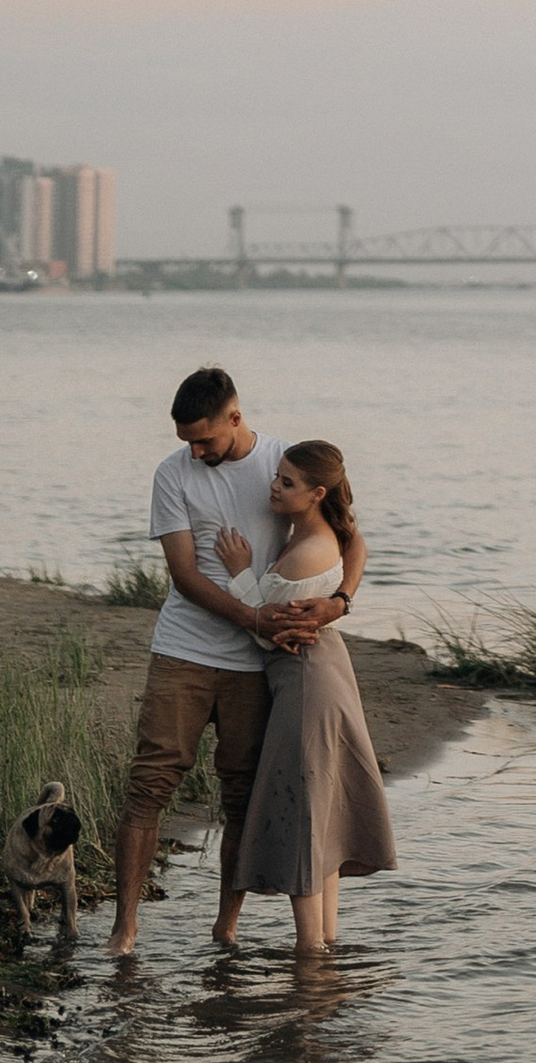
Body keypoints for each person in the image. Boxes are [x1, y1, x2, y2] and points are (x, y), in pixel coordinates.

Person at [108, 367, 363, 960]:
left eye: (206, 440)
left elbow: (351, 536)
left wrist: (339, 601)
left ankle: (227, 925)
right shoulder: (173, 474)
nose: (196, 452)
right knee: (149, 783)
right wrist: (253, 618)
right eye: (187, 442)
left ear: (235, 418)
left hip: (258, 666)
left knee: (242, 793)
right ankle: (124, 927)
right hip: (185, 651)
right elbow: (185, 574)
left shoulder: (286, 466)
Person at [222, 442, 397, 955]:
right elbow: (358, 540)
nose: (274, 486)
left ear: (317, 493)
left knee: (303, 810)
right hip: (324, 671)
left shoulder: (304, 553)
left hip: (305, 681)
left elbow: (265, 631)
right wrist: (342, 598)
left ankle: (309, 956)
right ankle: (324, 943)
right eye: (277, 476)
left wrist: (239, 571)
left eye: (287, 482)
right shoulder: (325, 531)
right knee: (320, 809)